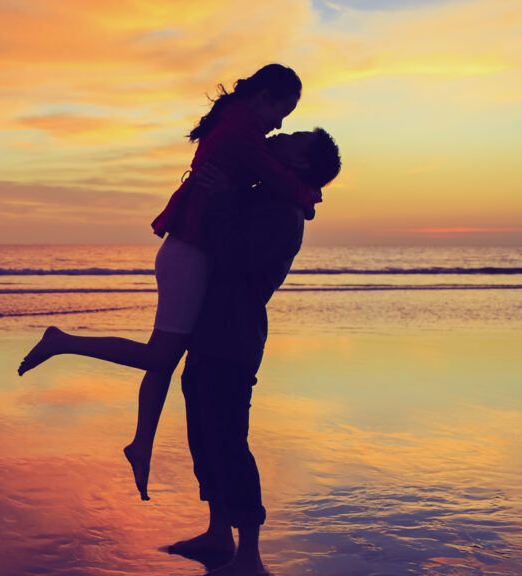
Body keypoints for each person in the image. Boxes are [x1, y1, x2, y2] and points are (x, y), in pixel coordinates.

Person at [18, 64, 321, 501]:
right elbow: (279, 181)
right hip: (189, 251)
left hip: (189, 247)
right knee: (160, 355)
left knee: (165, 357)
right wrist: (310, 197)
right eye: (282, 112)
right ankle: (62, 341)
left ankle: (142, 445)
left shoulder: (236, 123)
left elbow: (264, 186)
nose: (280, 124)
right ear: (264, 97)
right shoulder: (241, 134)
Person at [166, 129, 341, 576]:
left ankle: (250, 557)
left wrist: (224, 197)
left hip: (233, 334)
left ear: (300, 163)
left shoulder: (282, 211)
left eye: (294, 137)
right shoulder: (268, 192)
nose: (280, 133)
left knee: (228, 440)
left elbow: (234, 260)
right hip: (212, 328)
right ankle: (218, 533)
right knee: (203, 435)